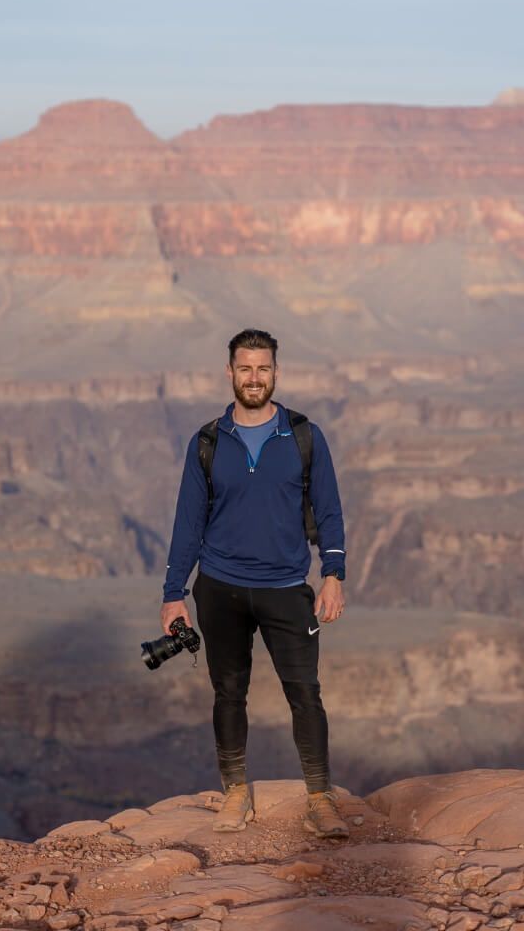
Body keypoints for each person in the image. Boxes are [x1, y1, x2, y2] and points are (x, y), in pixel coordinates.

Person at [160, 328, 348, 837]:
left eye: (263, 368)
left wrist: (333, 575)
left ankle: (320, 797)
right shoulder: (207, 442)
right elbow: (187, 522)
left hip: (287, 587)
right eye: (245, 368)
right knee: (228, 692)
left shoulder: (304, 436)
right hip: (219, 587)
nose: (254, 378)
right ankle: (235, 793)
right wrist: (172, 594)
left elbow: (329, 511)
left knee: (305, 694)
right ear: (230, 373)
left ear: (275, 373)